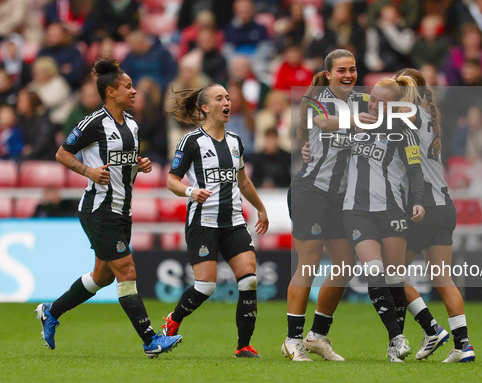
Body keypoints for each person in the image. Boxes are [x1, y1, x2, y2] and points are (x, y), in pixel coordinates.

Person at [35, 58, 182, 358]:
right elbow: (62, 154)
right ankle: (150, 339)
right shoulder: (92, 123)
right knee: (126, 270)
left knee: (102, 276)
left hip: (122, 210)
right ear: (111, 92)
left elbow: (126, 165)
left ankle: (51, 312)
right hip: (98, 209)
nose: (134, 91)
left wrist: (140, 165)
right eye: (128, 87)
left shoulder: (132, 125)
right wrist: (87, 171)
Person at [161, 83, 269, 358]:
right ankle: (173, 319)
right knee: (206, 286)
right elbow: (171, 180)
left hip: (233, 222)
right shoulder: (191, 141)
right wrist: (191, 191)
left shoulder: (235, 141)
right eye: (219, 98)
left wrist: (260, 208)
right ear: (205, 107)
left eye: (228, 98)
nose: (227, 102)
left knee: (249, 281)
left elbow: (242, 181)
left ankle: (243, 345)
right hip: (203, 222)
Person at [283, 49, 363, 362]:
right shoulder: (315, 99)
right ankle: (293, 339)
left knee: (345, 265)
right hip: (311, 191)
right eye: (341, 70)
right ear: (328, 74)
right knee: (309, 264)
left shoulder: (364, 102)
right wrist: (361, 122)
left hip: (341, 197)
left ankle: (317, 335)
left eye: (353, 69)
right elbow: (324, 122)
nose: (348, 75)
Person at [392, 68, 475, 363]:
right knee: (443, 279)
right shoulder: (428, 114)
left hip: (422, 206)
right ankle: (463, 345)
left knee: (391, 275)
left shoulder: (406, 114)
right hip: (444, 206)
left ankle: (431, 328)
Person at [341, 77, 426, 362]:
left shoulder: (404, 130)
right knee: (374, 269)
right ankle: (396, 337)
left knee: (395, 277)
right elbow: (323, 141)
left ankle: (396, 349)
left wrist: (418, 200)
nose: (374, 104)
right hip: (356, 209)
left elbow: (415, 169)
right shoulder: (355, 121)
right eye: (372, 98)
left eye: (381, 101)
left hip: (391, 209)